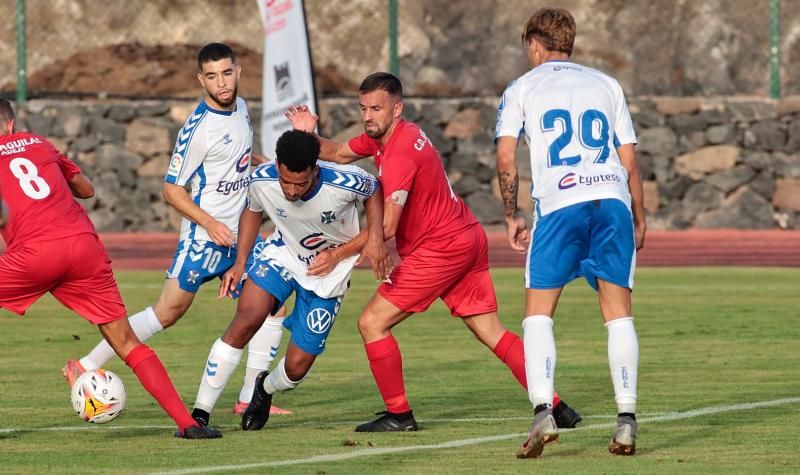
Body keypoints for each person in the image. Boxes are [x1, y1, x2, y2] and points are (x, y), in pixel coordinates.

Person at [286, 72, 583, 432]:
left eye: (376, 109)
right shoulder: (392, 136)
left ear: (398, 108)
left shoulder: (397, 155)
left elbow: (388, 229)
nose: (368, 116)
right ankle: (556, 406)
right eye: (363, 108)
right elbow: (336, 152)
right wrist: (306, 134)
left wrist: (336, 254)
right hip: (466, 238)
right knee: (491, 332)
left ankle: (399, 415)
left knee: (372, 323)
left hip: (441, 249)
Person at [62, 42, 290, 416]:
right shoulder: (198, 128)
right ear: (202, 80)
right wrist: (211, 223)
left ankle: (251, 397)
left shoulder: (243, 108)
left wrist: (270, 168)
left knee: (273, 304)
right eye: (212, 77)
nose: (222, 83)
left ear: (238, 72)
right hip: (204, 241)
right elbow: (171, 189)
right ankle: (84, 365)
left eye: (227, 73)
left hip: (241, 236)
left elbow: (242, 157)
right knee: (165, 314)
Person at [0, 98, 219, 439]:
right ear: (11, 125)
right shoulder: (40, 143)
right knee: (126, 341)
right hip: (82, 244)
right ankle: (188, 424)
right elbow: (86, 190)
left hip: (33, 252)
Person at [495, 7, 645, 458]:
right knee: (618, 316)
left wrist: (510, 215)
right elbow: (630, 162)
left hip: (560, 206)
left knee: (538, 315)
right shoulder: (607, 84)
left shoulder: (522, 87)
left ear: (534, 45)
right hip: (612, 202)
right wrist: (639, 215)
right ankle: (626, 421)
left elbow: (506, 159)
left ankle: (543, 410)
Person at [189, 129, 389, 430]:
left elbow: (374, 189)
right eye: (285, 182)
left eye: (300, 183)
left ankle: (264, 388)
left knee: (296, 368)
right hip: (282, 255)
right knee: (246, 319)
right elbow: (252, 211)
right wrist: (240, 263)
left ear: (315, 169)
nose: (291, 191)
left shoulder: (345, 180)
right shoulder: (262, 179)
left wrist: (366, 242)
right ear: (278, 165)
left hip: (328, 273)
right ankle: (199, 415)